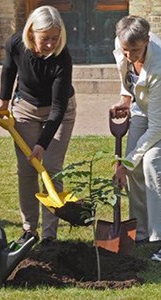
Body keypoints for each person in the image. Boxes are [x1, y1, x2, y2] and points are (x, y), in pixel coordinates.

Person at [0, 5, 76, 246]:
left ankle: (50, 235)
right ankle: (29, 230)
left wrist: (42, 144)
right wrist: (4, 102)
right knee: (27, 170)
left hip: (59, 111)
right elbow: (8, 70)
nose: (50, 44)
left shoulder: (62, 58)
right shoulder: (16, 43)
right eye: (45, 38)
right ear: (31, 33)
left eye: (55, 38)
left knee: (51, 168)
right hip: (25, 109)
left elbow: (58, 108)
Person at [110, 15, 161, 258]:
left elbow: (156, 127)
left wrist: (125, 163)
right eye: (125, 50)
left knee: (151, 162)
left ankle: (159, 236)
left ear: (147, 41)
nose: (129, 55)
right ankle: (141, 232)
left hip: (159, 113)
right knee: (134, 169)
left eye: (135, 50)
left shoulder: (159, 65)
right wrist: (125, 98)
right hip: (142, 106)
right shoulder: (123, 45)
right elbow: (126, 75)